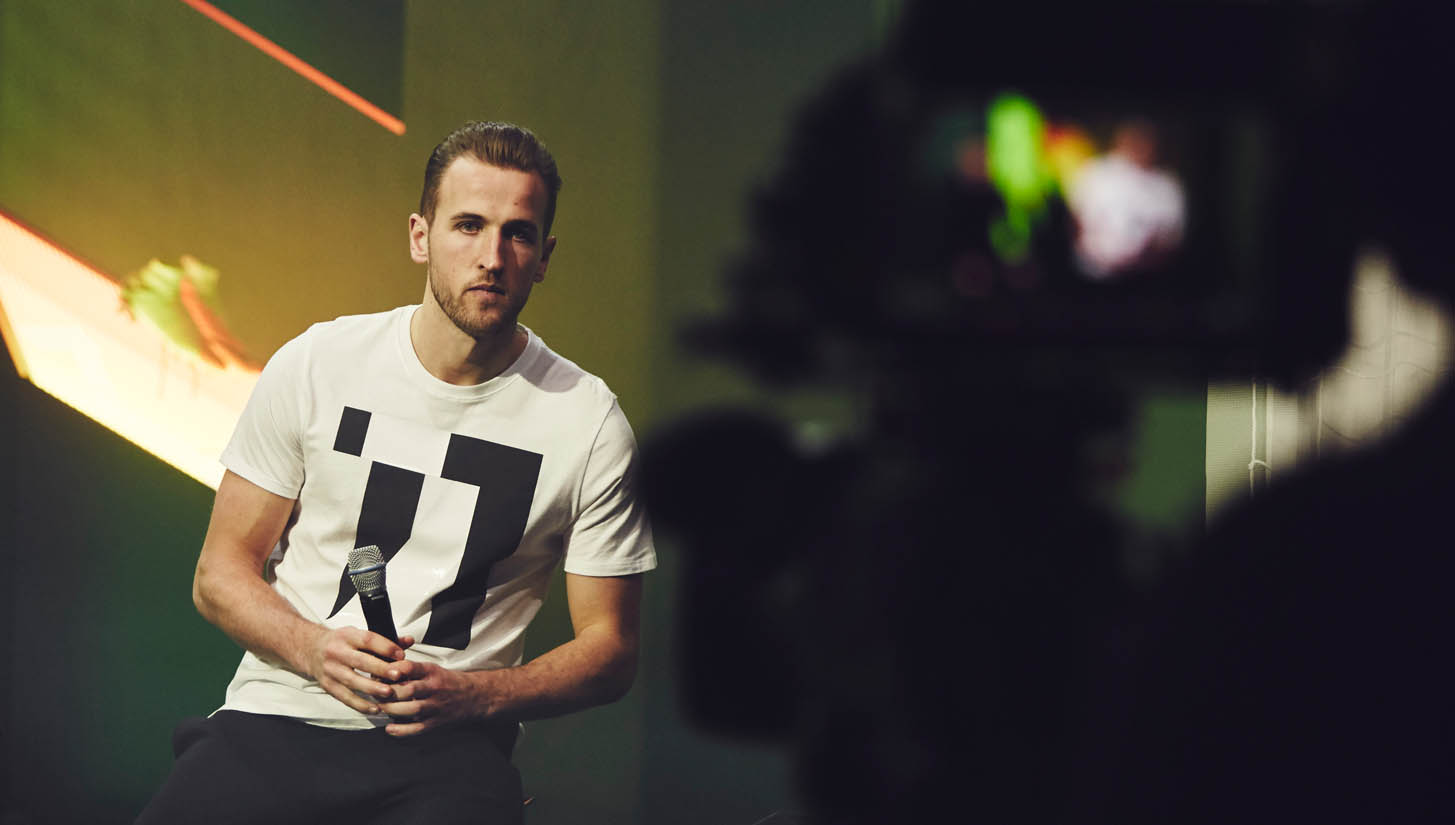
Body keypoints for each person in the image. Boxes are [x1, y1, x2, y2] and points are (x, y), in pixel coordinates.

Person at [137, 121, 656, 824]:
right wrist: (314, 649)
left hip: (449, 747)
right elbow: (219, 571)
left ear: (544, 257)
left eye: (518, 234)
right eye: (468, 226)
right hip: (276, 714)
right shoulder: (319, 362)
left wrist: (476, 694)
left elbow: (610, 648)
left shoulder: (587, 422)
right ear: (420, 235)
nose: (492, 257)